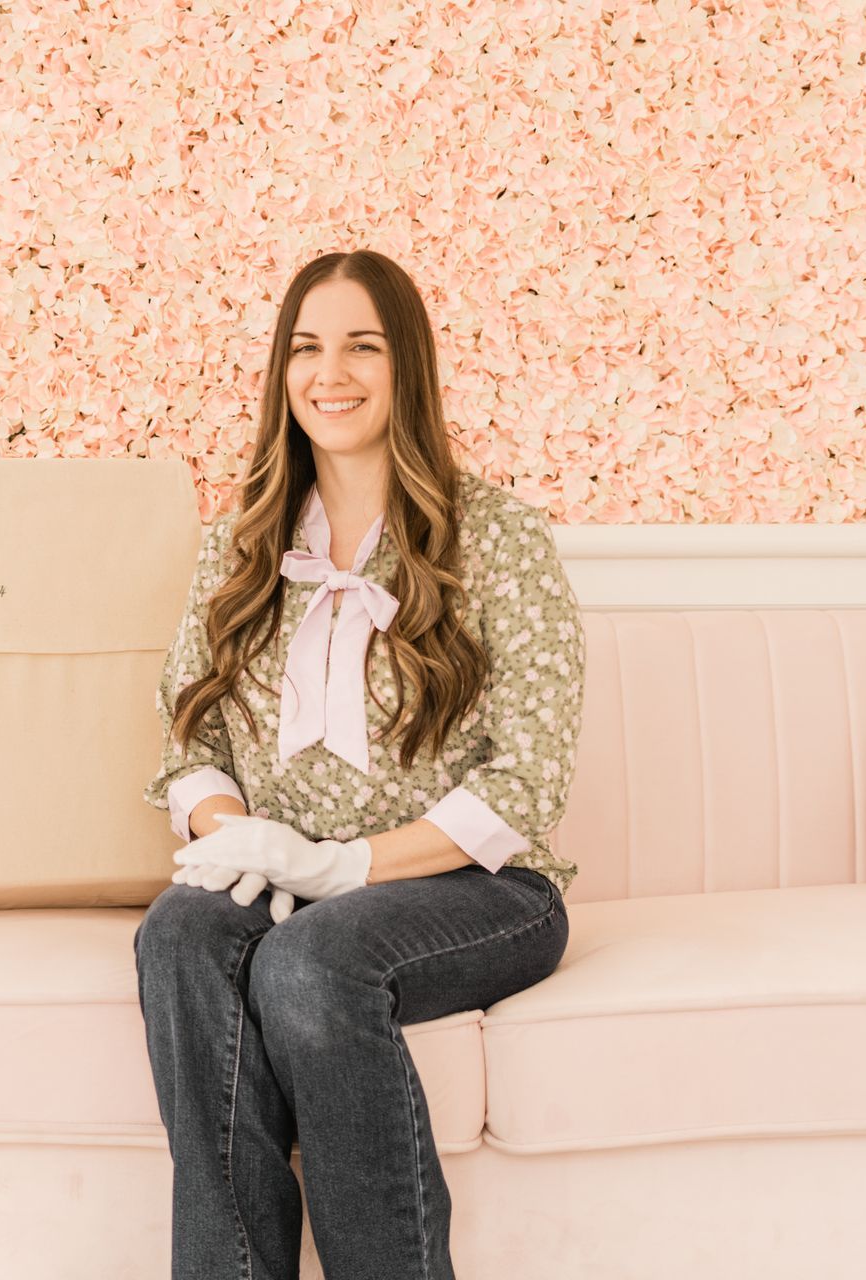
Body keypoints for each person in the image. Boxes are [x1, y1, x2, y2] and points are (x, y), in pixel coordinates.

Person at [134, 248, 586, 1280]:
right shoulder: (240, 543)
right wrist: (232, 832)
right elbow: (186, 738)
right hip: (281, 874)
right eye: (305, 347)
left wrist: (343, 867)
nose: (329, 372)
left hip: (474, 886)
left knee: (310, 960)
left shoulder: (500, 539)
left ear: (406, 366)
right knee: (180, 933)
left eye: (361, 345)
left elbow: (526, 779)